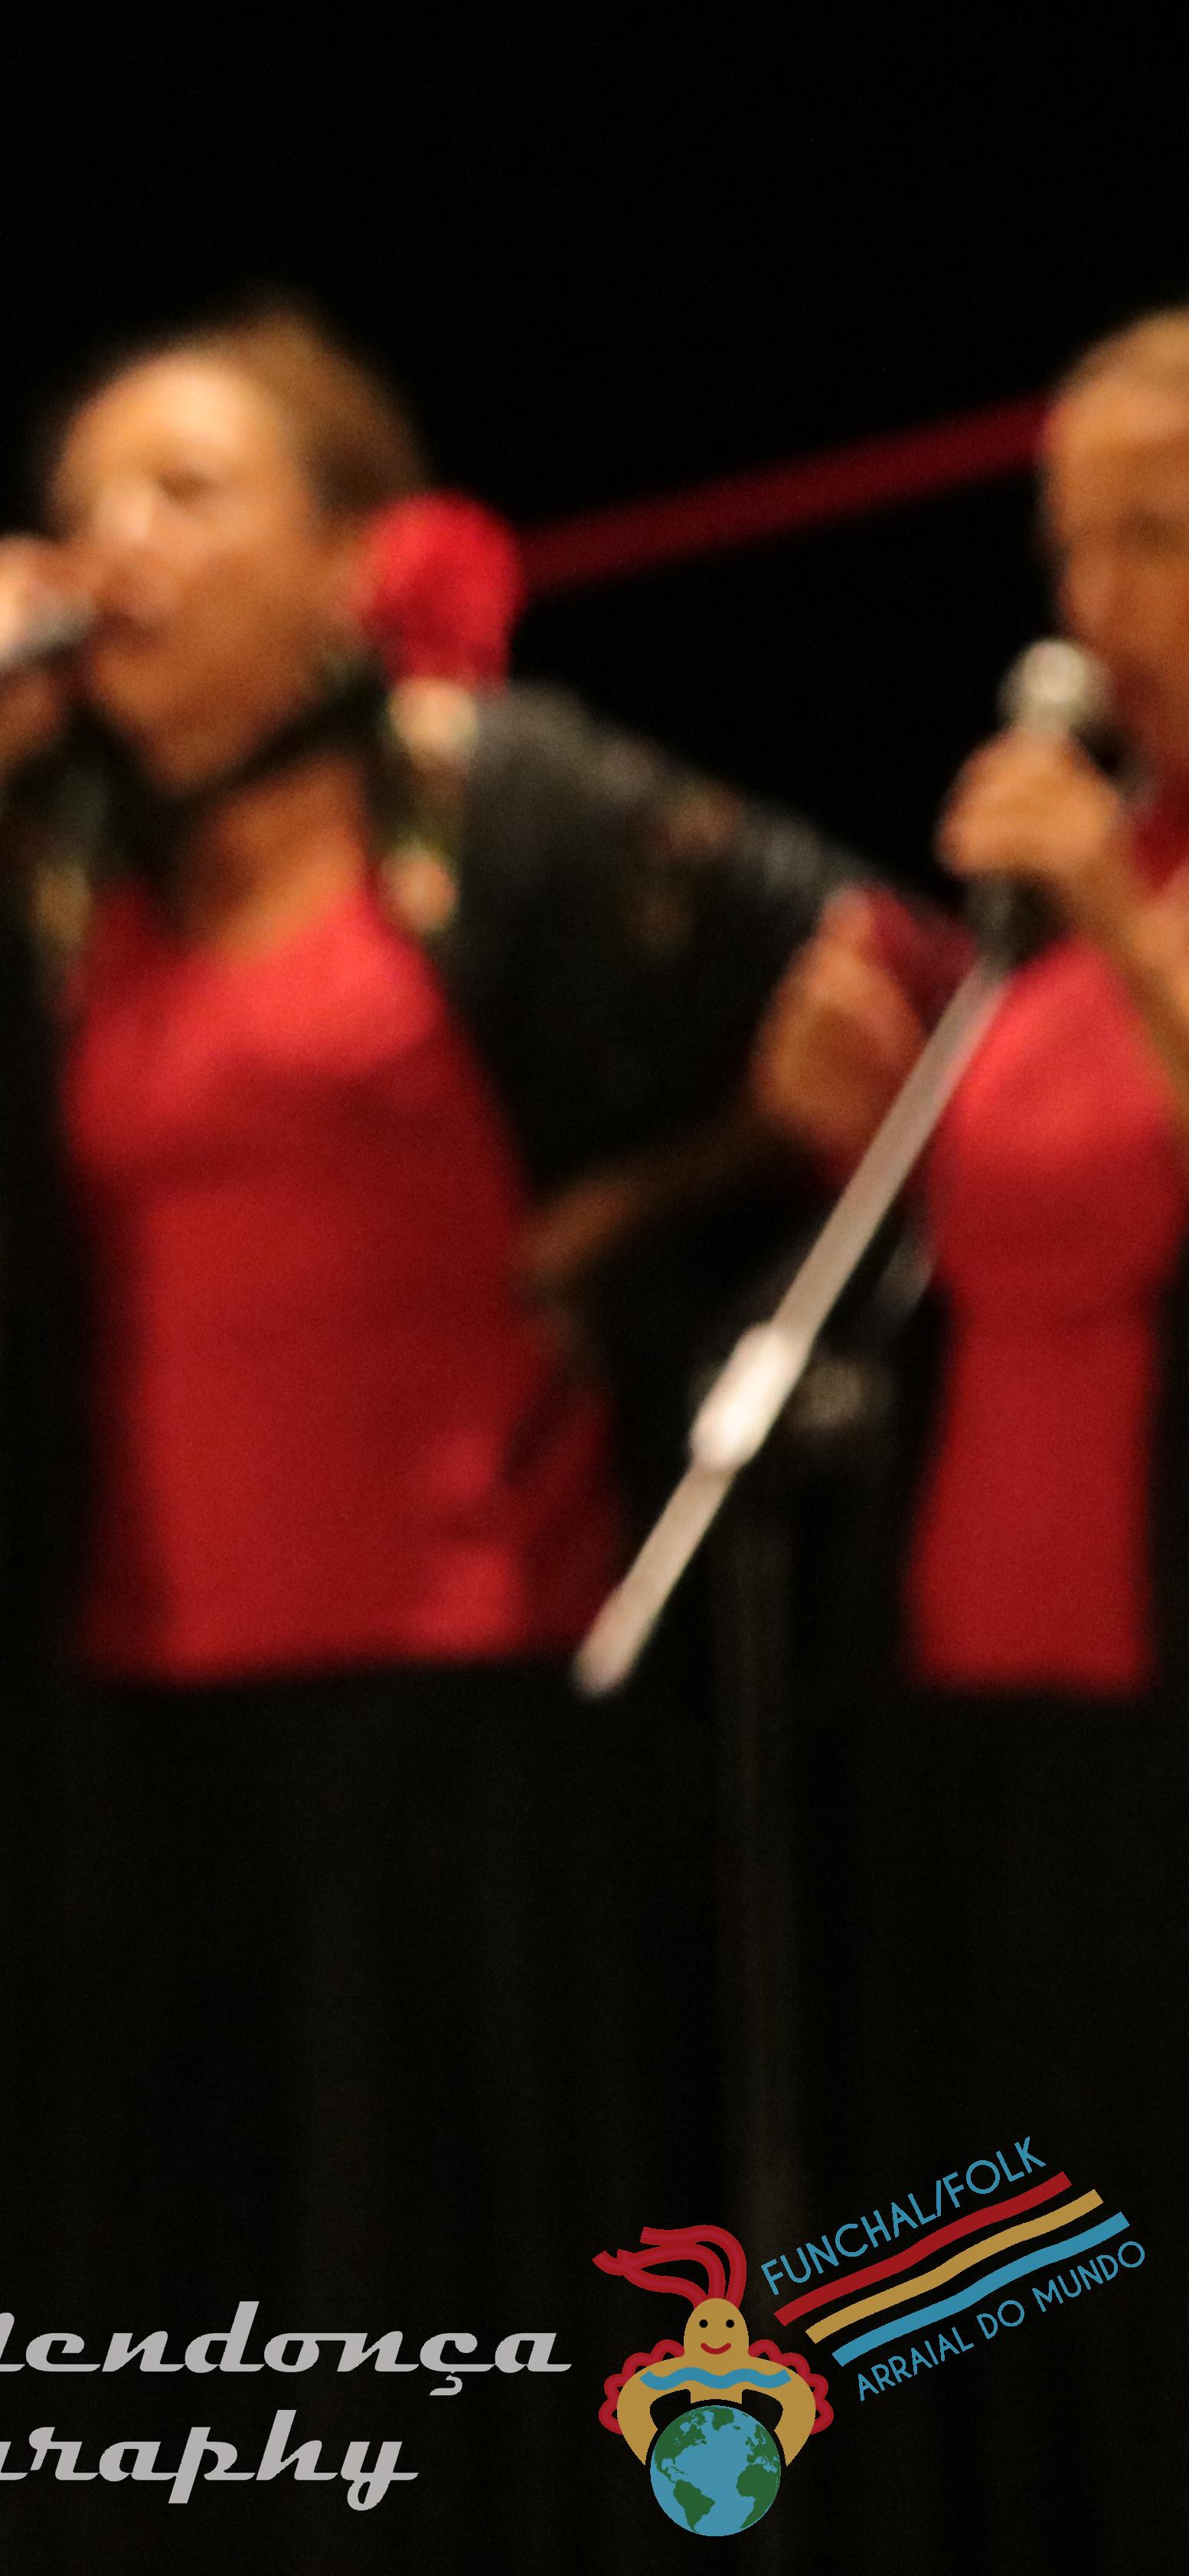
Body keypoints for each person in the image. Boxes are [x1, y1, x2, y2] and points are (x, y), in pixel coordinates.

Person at [0, 306, 868, 2568]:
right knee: (180, 2297)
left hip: (470, 1690)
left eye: (186, 492)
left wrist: (636, 1208)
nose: (115, 543)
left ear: (358, 552)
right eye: (83, 502)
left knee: (463, 2281)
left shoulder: (511, 800)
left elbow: (882, 1004)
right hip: (122, 1705)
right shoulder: (46, 870)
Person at [755, 308, 1189, 2574]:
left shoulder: (1111, 891)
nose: (1095, 606)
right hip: (986, 1675)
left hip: (1157, 1694)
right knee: (1017, 2225)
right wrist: (875, 1110)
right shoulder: (1085, 892)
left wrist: (1108, 907)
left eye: (1158, 538)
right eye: (1070, 546)